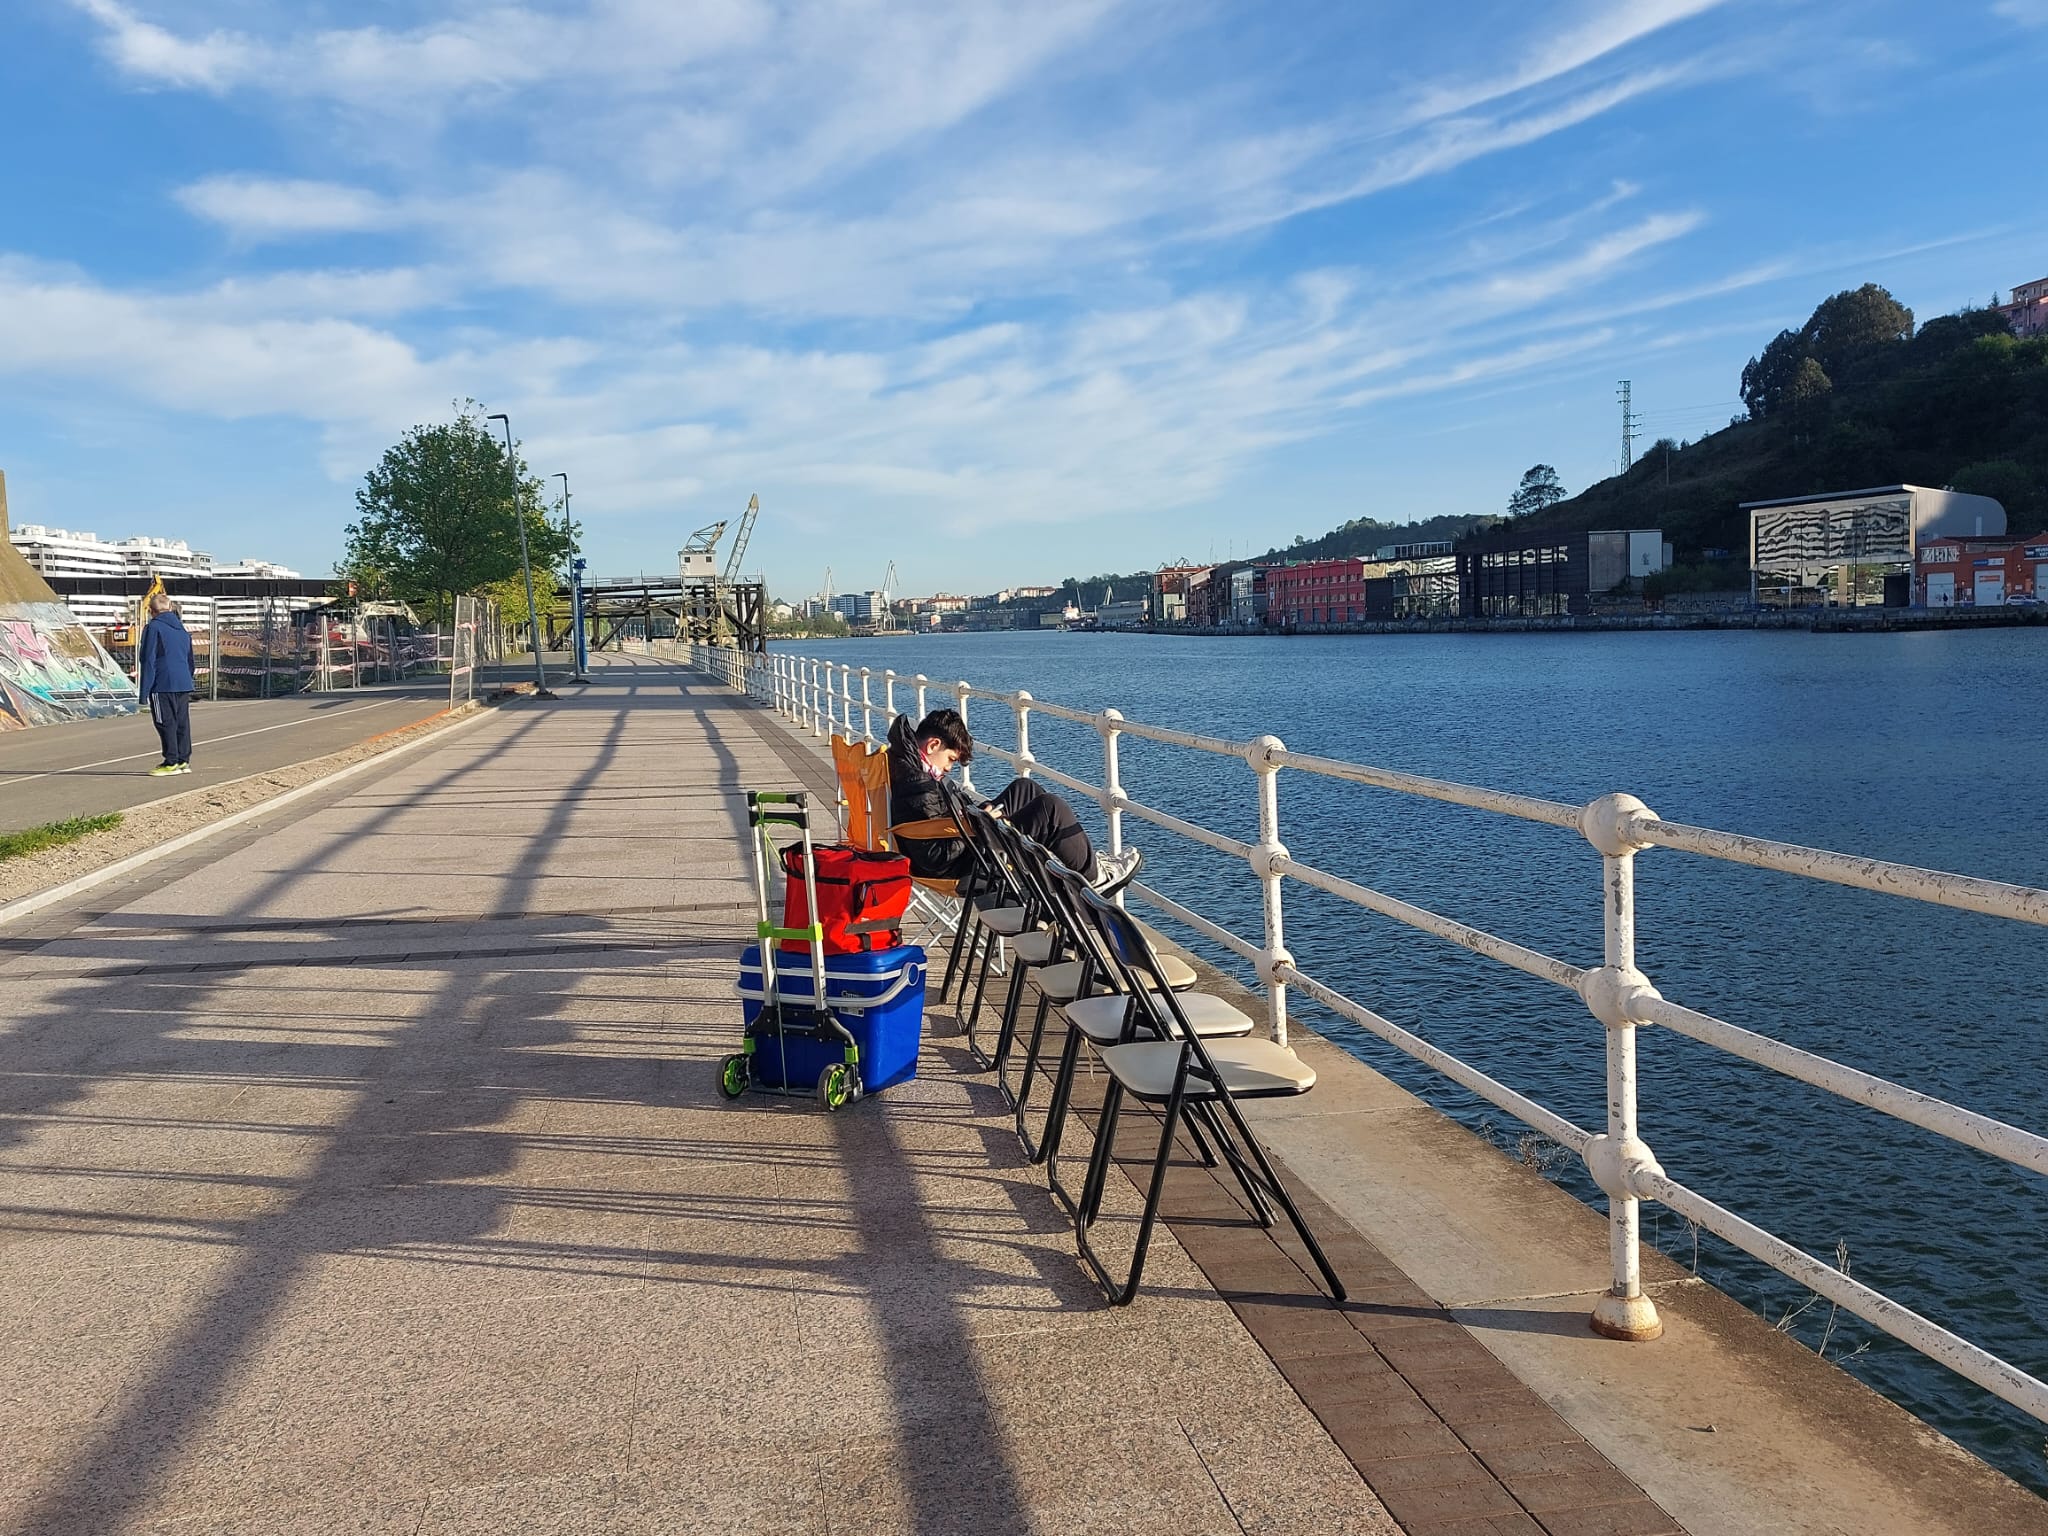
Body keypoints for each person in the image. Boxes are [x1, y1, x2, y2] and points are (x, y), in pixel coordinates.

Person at [887, 708, 1142, 894]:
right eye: (951, 759)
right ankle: (1094, 878)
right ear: (933, 745)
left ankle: (1069, 868)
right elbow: (935, 856)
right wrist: (979, 824)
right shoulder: (917, 783)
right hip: (963, 864)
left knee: (1025, 788)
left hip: (964, 839)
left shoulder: (908, 766)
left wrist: (976, 815)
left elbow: (935, 824)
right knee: (1051, 809)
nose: (950, 768)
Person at [137, 594, 196, 776]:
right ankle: (183, 760)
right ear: (170, 608)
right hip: (183, 681)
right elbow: (190, 660)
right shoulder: (182, 630)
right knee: (181, 723)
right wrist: (187, 677)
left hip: (162, 682)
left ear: (151, 611)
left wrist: (144, 693)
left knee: (164, 722)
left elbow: (148, 659)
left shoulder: (153, 628)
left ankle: (170, 761)